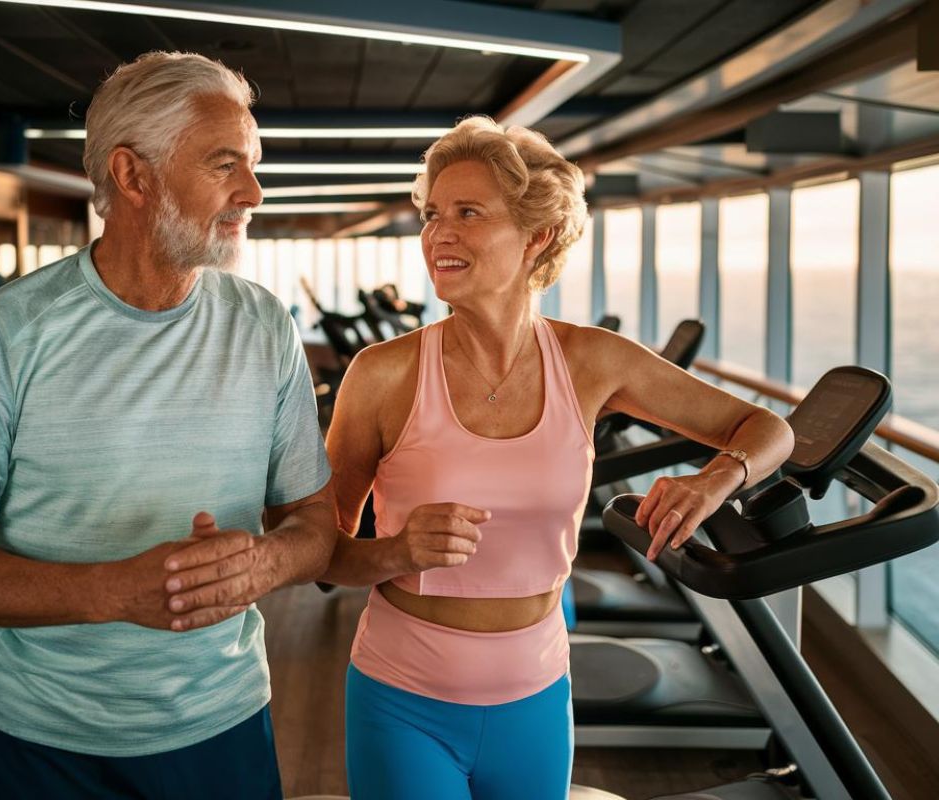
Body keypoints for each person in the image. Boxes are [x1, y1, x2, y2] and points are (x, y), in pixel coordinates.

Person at [0, 52, 334, 800]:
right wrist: (114, 592)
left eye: (252, 164)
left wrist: (264, 565)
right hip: (48, 743)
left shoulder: (264, 326)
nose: (253, 192)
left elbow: (315, 522)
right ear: (133, 177)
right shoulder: (5, 333)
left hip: (223, 725)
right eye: (225, 164)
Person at [320, 116, 795, 800]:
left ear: (536, 235)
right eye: (431, 214)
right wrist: (393, 553)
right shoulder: (383, 374)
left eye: (468, 213)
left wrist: (714, 480)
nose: (438, 232)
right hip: (403, 698)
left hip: (536, 693)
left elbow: (767, 426)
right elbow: (320, 549)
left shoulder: (592, 363)